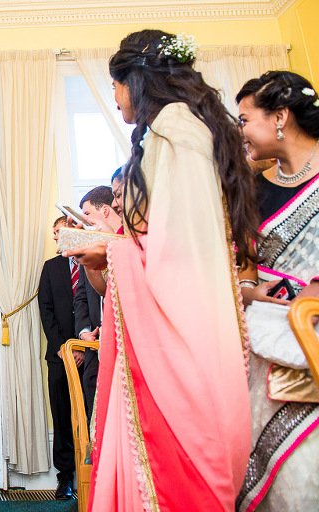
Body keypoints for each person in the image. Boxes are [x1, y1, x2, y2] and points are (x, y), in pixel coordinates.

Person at [63, 30, 260, 510]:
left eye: (115, 85)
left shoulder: (175, 131)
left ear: (137, 79)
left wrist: (113, 252)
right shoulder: (178, 129)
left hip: (181, 341)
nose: (113, 98)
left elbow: (180, 257)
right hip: (180, 332)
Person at [234, 70, 319, 511]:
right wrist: (248, 289)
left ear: (281, 116)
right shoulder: (253, 188)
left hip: (310, 342)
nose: (240, 131)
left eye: (246, 119)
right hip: (260, 347)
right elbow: (244, 262)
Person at [37, 215, 79, 501]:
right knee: (62, 416)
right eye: (53, 233)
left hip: (93, 354)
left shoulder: (93, 264)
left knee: (89, 416)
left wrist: (84, 348)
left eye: (59, 231)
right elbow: (46, 311)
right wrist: (65, 348)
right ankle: (64, 478)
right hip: (59, 356)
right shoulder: (50, 268)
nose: (55, 237)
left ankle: (94, 472)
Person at [72, 184, 121, 422]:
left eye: (87, 213)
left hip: (122, 342)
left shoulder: (126, 242)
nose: (84, 220)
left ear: (106, 210)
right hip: (95, 341)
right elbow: (84, 294)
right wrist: (83, 332)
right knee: (96, 406)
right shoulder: (91, 246)